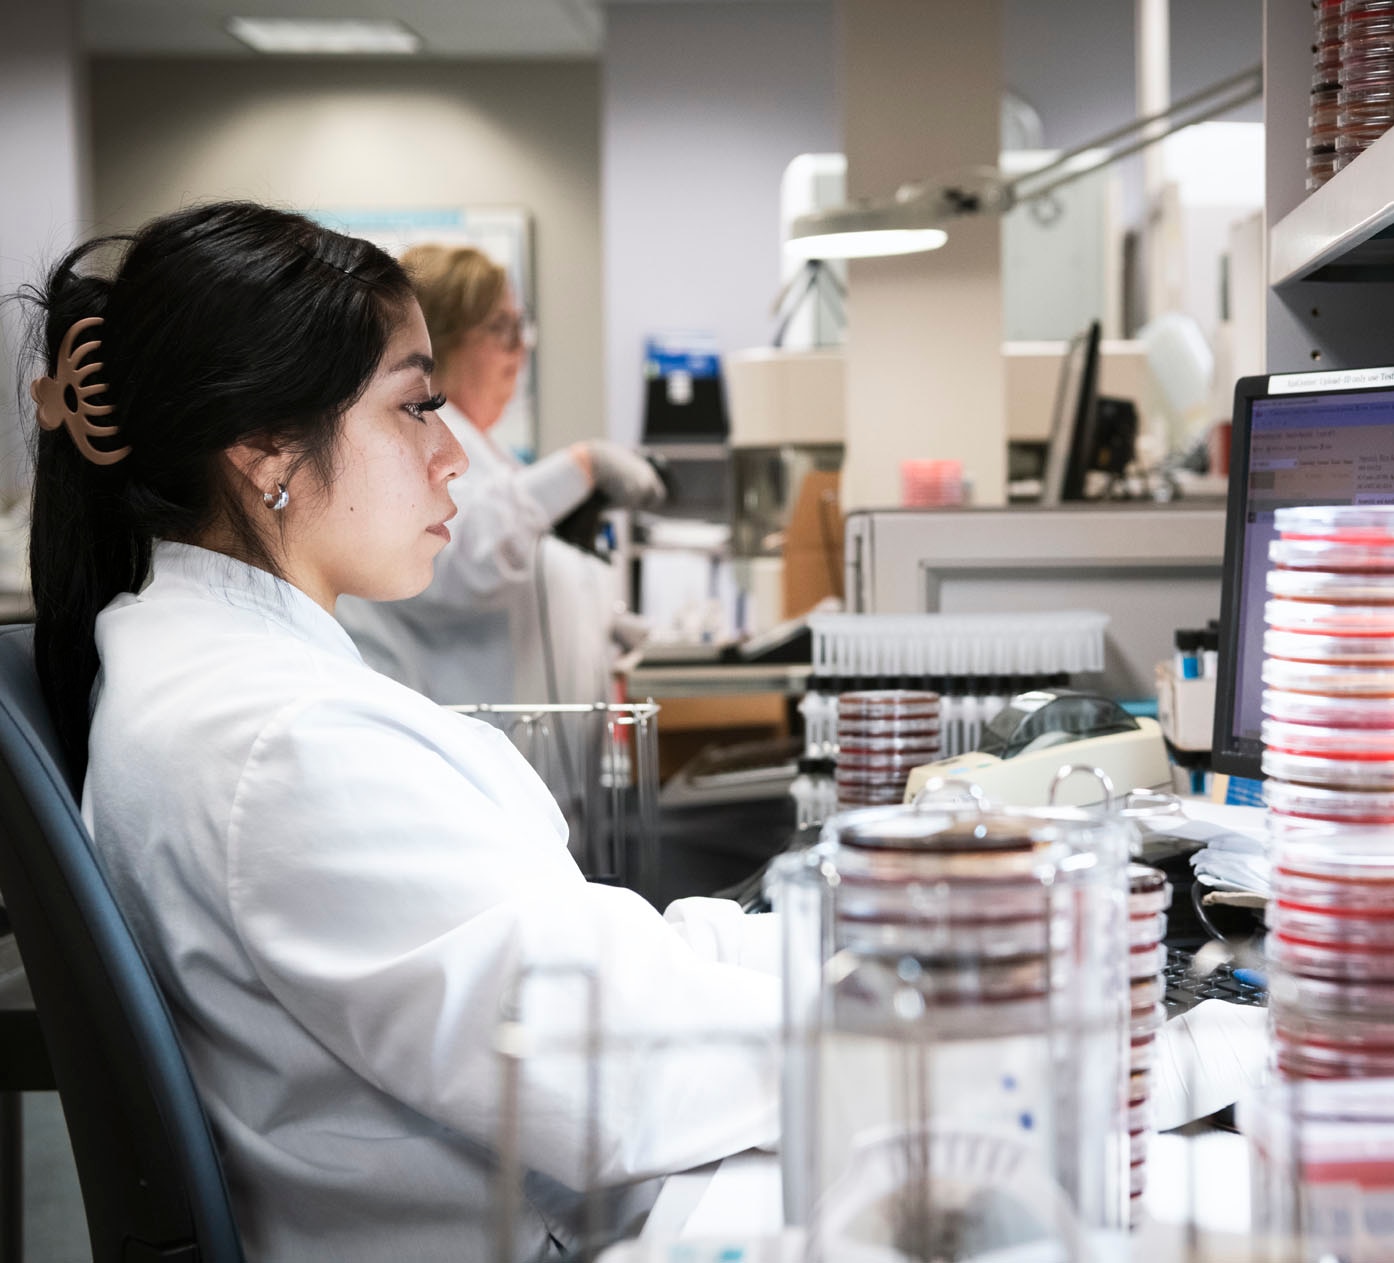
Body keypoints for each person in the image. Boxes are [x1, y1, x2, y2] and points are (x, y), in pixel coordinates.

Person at [22, 202, 779, 1263]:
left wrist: (850, 942)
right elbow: (618, 1072)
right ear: (264, 445)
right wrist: (936, 1005)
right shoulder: (278, 746)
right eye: (417, 405)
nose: (451, 457)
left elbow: (571, 960)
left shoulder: (215, 672)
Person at [336, 243, 664, 709]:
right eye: (499, 328)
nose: (520, 347)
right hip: (472, 740)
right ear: (439, 338)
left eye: (520, 326)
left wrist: (607, 625)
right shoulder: (413, 456)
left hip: (540, 753)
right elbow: (463, 561)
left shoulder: (496, 461)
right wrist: (582, 465)